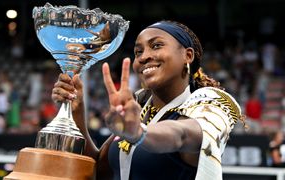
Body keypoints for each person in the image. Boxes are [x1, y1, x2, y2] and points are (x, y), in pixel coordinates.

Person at [52, 20, 245, 180]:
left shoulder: (212, 103)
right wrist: (76, 111)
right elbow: (97, 171)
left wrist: (139, 132)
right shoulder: (139, 107)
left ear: (187, 55)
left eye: (156, 45)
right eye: (138, 52)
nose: (144, 57)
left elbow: (182, 135)